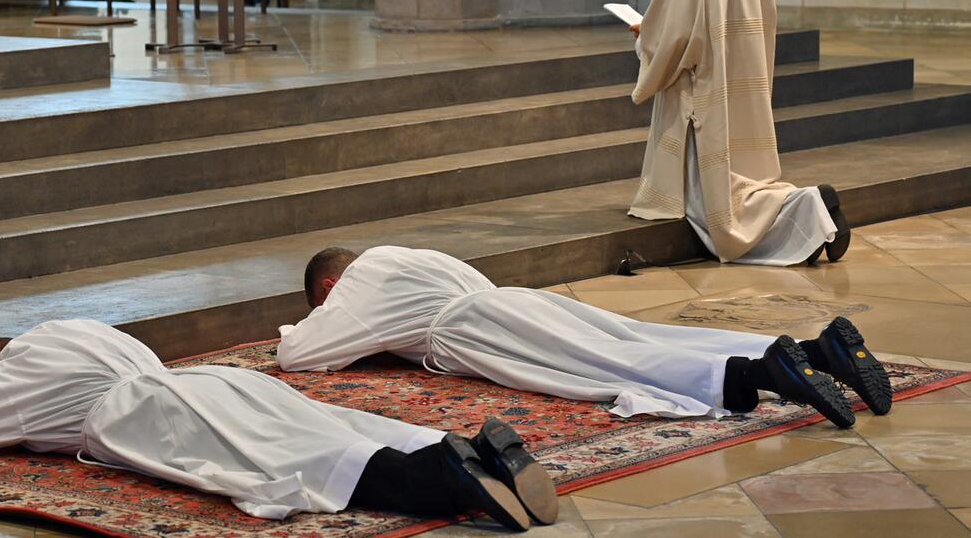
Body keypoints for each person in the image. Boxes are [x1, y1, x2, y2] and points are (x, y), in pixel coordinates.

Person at [0, 319, 556, 529]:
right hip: (211, 380)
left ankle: (445, 477)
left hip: (151, 414)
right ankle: (480, 450)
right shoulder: (71, 329)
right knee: (326, 425)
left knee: (295, 460)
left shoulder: (13, 379)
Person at [279, 246, 895, 429]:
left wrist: (301, 326)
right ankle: (818, 352)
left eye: (322, 305)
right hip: (512, 301)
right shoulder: (404, 255)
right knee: (634, 337)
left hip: (476, 330)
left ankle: (761, 375)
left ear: (331, 284)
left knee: (611, 368)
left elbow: (299, 355)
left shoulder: (356, 284)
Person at [626, 0, 845, 266]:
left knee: (716, 212)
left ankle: (806, 207)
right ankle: (809, 220)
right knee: (746, 182)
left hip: (706, 93)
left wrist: (646, 36)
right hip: (745, 84)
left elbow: (673, 40)